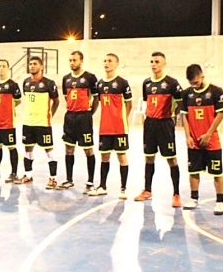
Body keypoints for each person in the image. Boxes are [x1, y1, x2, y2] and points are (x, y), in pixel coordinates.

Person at [135, 52, 183, 208]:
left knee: (171, 159)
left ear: (164, 64)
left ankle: (176, 194)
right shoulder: (146, 83)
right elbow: (145, 100)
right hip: (150, 124)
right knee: (149, 158)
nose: (154, 64)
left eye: (157, 61)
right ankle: (147, 190)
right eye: (152, 61)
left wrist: (175, 117)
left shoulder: (172, 83)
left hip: (165, 125)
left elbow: (181, 102)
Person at [181, 64, 223, 214]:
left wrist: (208, 134)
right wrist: (187, 136)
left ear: (202, 76)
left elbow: (220, 115)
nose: (194, 85)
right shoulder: (187, 93)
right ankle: (194, 198)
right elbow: (185, 116)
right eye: (191, 83)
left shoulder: (216, 91)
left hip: (211, 140)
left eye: (196, 81)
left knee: (217, 172)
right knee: (193, 171)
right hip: (194, 141)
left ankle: (220, 201)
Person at [88, 53, 133, 198]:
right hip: (104, 127)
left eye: (110, 61)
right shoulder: (100, 84)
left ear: (116, 64)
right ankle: (102, 186)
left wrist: (122, 119)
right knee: (104, 157)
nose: (107, 63)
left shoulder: (122, 83)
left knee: (121, 156)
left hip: (119, 127)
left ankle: (123, 188)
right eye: (105, 60)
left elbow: (129, 104)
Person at [15, 56, 60, 188]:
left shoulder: (48, 83)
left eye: (35, 64)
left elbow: (56, 101)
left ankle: (53, 178)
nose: (32, 66)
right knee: (28, 149)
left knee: (48, 150)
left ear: (41, 67)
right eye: (30, 64)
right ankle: (28, 175)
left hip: (43, 123)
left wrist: (50, 114)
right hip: (28, 122)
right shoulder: (26, 82)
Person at [59, 51, 99, 192]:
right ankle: (69, 180)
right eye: (70, 60)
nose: (72, 62)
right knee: (69, 149)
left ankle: (90, 181)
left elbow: (96, 98)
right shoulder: (66, 79)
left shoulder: (90, 78)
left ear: (81, 61)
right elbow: (67, 97)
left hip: (84, 118)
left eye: (74, 60)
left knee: (88, 150)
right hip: (69, 117)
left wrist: (89, 113)